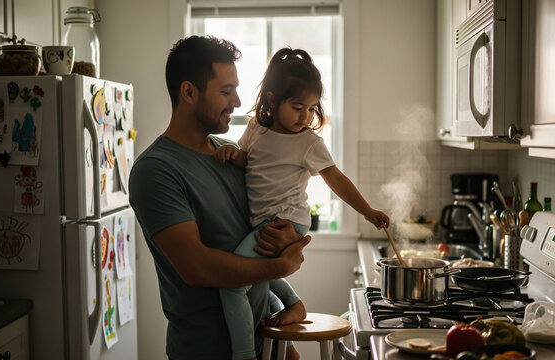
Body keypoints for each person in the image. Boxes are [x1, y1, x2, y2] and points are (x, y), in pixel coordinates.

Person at [128, 36, 311, 360]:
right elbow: (197, 267)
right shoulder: (155, 171)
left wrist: (286, 237)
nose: (238, 102)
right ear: (188, 92)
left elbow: (255, 232)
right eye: (226, 91)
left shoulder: (232, 155)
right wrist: (279, 264)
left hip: (265, 344)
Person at [214, 47, 390, 360]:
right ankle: (294, 305)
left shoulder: (309, 143)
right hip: (263, 221)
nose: (306, 116)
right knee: (258, 276)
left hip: (285, 222)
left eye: (311, 108)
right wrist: (231, 154)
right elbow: (247, 160)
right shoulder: (256, 128)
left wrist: (368, 212)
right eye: (298, 107)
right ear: (271, 100)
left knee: (232, 286)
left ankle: (244, 355)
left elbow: (336, 180)